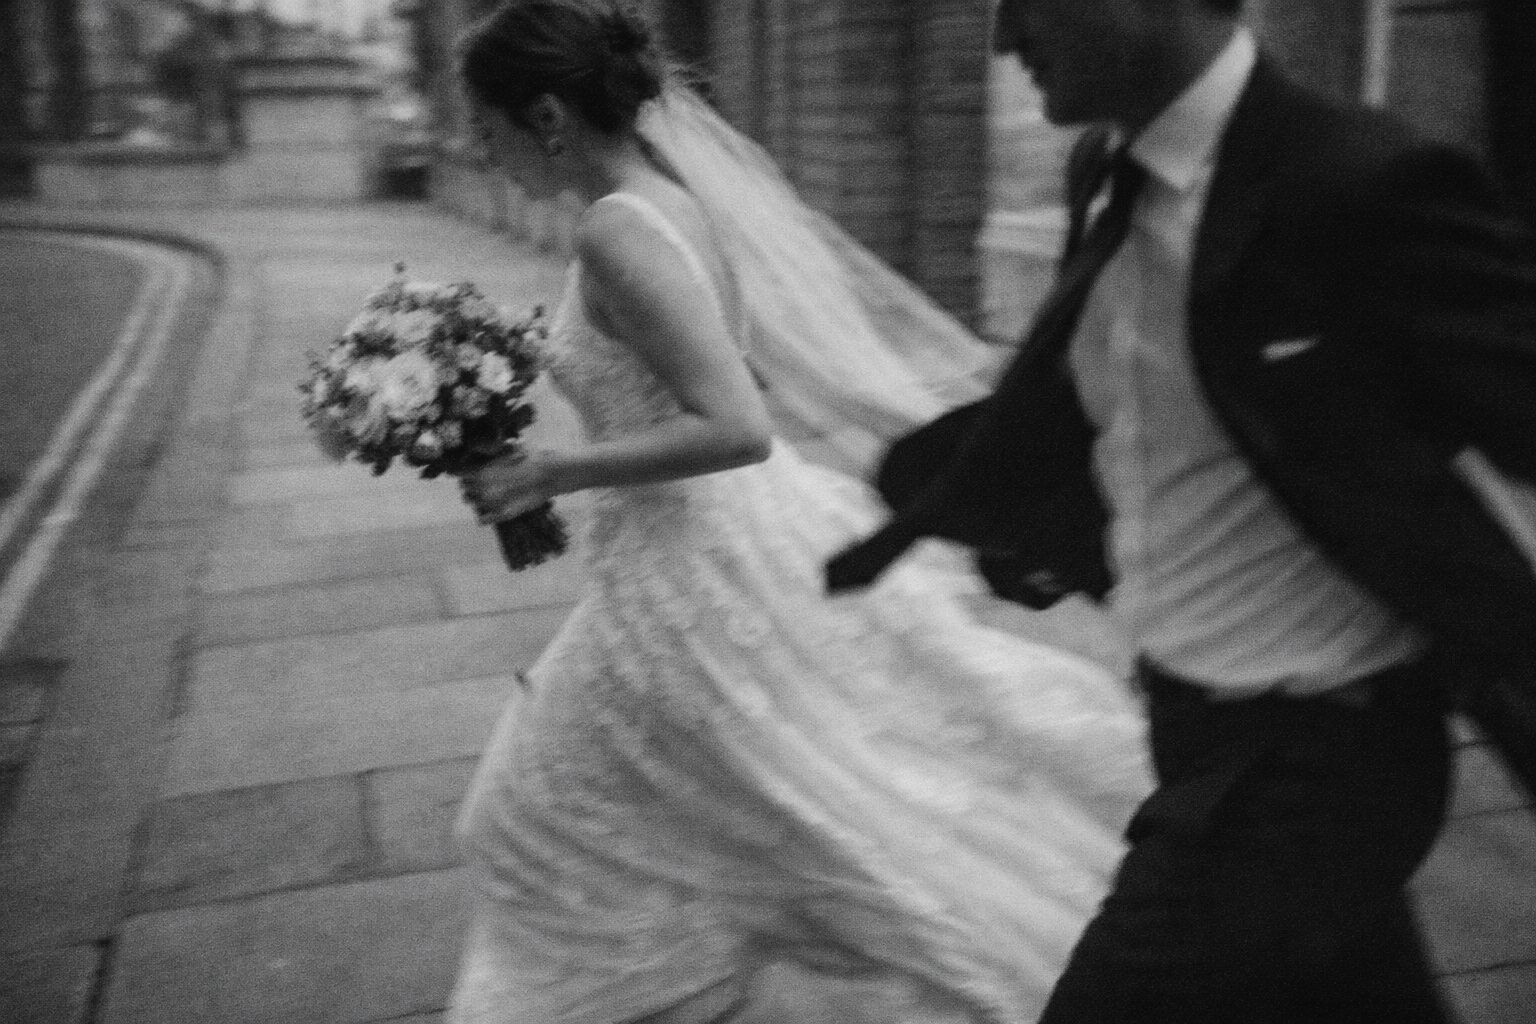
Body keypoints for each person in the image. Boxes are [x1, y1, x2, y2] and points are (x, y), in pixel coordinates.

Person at [830, 1, 1536, 1021]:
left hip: (1312, 772)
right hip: (1193, 728)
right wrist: (1017, 519)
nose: (1003, 38)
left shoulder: (1361, 185)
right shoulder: (1108, 175)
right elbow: (1138, 414)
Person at [447, 2, 1153, 1022]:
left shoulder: (616, 230)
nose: (484, 150)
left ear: (549, 116)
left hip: (683, 577)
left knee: (526, 818)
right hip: (705, 553)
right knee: (735, 814)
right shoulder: (665, 196)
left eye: (488, 126)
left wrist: (548, 472)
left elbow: (737, 423)